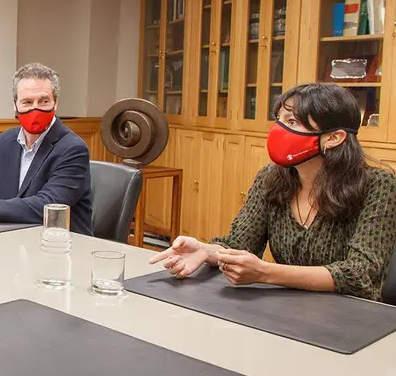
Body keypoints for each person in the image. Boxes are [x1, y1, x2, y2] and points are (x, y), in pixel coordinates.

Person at [151, 82, 396, 301]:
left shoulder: (378, 185)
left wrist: (265, 273)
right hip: (285, 310)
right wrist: (206, 251)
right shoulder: (272, 177)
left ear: (334, 137)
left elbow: (360, 275)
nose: (278, 130)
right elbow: (239, 244)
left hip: (351, 320)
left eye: (292, 122)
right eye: (279, 120)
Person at [0, 62, 93, 235]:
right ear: (15, 105)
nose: (35, 108)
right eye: (27, 102)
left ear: (55, 103)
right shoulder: (5, 141)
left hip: (61, 246)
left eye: (44, 101)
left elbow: (46, 206)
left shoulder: (73, 149)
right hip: (14, 241)